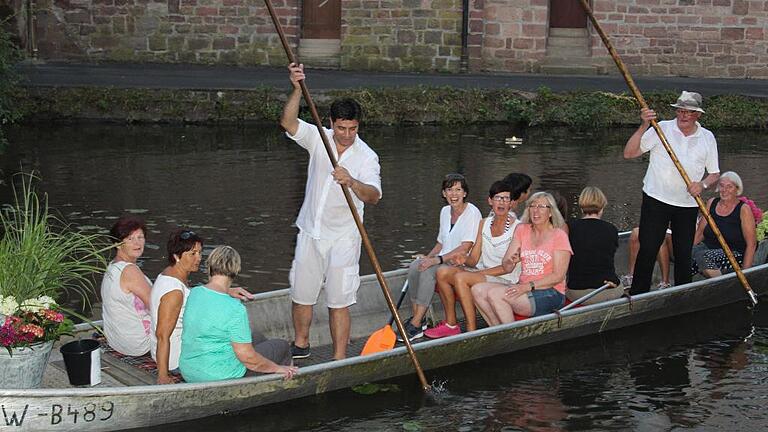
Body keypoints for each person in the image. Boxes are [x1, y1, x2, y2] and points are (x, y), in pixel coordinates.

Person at [280, 63, 382, 360]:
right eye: (341, 128)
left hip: (344, 238)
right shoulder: (319, 138)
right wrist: (297, 89)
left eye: (353, 129)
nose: (347, 135)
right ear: (331, 123)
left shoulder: (367, 156)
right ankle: (301, 345)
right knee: (301, 295)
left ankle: (339, 359)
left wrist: (351, 181)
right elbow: (288, 123)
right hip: (310, 231)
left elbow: (374, 196)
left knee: (339, 302)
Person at [623, 91, 720, 294]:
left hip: (687, 205)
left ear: (698, 115)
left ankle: (681, 294)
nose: (683, 115)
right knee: (648, 248)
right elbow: (629, 153)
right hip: (656, 199)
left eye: (689, 112)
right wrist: (644, 126)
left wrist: (701, 186)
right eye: (680, 111)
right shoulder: (661, 129)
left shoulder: (707, 137)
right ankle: (638, 293)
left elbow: (714, 174)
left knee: (684, 252)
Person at [179, 246, 297, 382]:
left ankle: (266, 372)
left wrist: (227, 291)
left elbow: (212, 295)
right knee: (282, 346)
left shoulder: (195, 293)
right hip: (218, 375)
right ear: (236, 271)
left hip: (189, 370)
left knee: (256, 337)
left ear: (210, 266)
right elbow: (248, 358)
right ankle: (286, 382)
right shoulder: (235, 309)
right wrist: (277, 368)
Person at [150, 229, 253, 384]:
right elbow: (162, 335)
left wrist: (226, 290)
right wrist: (163, 375)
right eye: (192, 254)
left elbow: (188, 295)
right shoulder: (174, 292)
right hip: (176, 358)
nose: (198, 258)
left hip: (181, 348)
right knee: (241, 346)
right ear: (177, 256)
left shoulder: (169, 274)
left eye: (199, 252)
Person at [424, 180, 522, 338]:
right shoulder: (483, 223)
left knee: (462, 278)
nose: (502, 202)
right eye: (498, 198)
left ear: (511, 203)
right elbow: (474, 260)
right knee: (442, 272)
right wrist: (462, 259)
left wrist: (479, 273)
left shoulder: (519, 228)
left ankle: (471, 329)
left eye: (506, 198)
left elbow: (506, 268)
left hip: (505, 277)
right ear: (490, 201)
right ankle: (451, 324)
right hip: (483, 272)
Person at [398, 173, 482, 341]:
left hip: (462, 263)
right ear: (444, 193)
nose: (454, 194)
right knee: (416, 267)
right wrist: (426, 259)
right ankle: (419, 319)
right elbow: (440, 243)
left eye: (458, 190)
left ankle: (414, 325)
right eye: (449, 190)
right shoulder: (444, 212)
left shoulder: (472, 212)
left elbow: (465, 247)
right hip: (443, 260)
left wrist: (436, 261)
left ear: (465, 193)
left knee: (432, 272)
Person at [472, 192, 573, 325]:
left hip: (551, 291)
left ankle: (511, 336)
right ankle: (498, 332)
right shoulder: (522, 230)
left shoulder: (559, 235)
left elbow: (558, 276)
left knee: (496, 294)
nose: (536, 211)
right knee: (477, 290)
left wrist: (527, 287)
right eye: (532, 206)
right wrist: (511, 261)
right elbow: (506, 266)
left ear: (550, 213)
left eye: (541, 207)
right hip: (524, 287)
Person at [100, 215, 152, 356]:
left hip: (118, 341)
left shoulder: (113, 266)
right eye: (130, 239)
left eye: (140, 237)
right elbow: (156, 306)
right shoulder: (130, 270)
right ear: (118, 243)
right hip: (139, 344)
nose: (137, 243)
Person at [691, 171, 756, 278]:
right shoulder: (712, 203)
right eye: (722, 186)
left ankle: (721, 284)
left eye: (729, 187)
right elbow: (700, 233)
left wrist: (745, 273)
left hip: (733, 254)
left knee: (702, 256)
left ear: (737, 189)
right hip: (709, 248)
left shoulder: (743, 209)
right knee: (686, 252)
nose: (724, 190)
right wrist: (688, 249)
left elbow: (751, 244)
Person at [565, 187, 623, 305]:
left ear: (581, 207)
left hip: (578, 293)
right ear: (602, 207)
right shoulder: (611, 229)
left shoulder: (569, 227)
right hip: (610, 290)